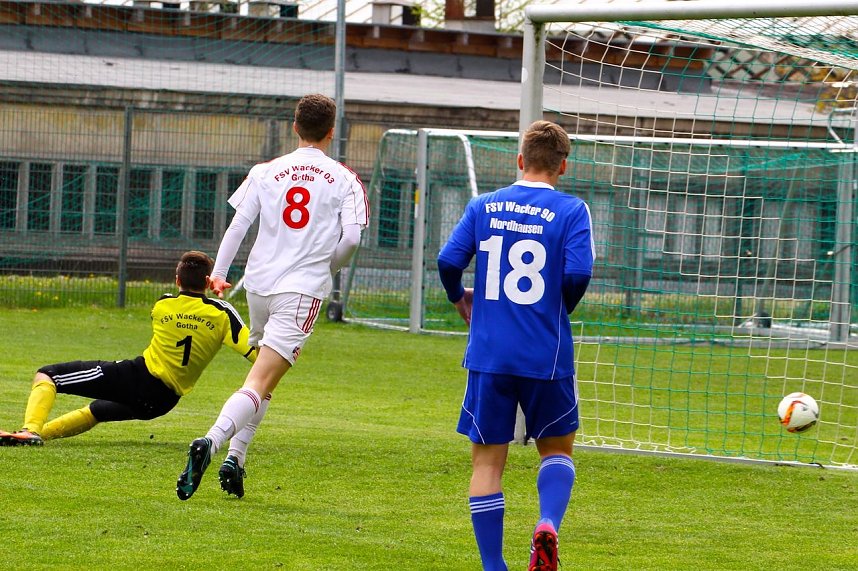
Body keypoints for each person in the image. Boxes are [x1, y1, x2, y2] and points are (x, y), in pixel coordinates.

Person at [175, 93, 369, 501]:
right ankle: (210, 443)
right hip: (301, 291)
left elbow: (237, 226)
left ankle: (237, 457)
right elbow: (351, 238)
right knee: (260, 379)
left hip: (259, 287)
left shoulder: (265, 171)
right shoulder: (346, 179)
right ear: (332, 132)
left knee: (263, 380)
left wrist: (220, 274)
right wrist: (326, 266)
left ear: (294, 127)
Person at [437, 120, 594, 571]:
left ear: (520, 160)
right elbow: (578, 274)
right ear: (563, 166)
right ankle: (546, 524)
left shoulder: (483, 205)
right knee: (557, 451)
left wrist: (457, 297)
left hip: (490, 354)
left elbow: (449, 260)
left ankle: (493, 565)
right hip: (545, 354)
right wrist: (558, 307)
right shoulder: (572, 210)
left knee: (487, 463)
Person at [0, 251, 259, 475]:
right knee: (97, 411)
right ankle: (37, 436)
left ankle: (31, 430)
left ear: (177, 278)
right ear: (207, 281)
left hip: (139, 377)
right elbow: (256, 353)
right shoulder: (222, 315)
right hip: (163, 402)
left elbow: (180, 307)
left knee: (48, 375)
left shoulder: (163, 304)